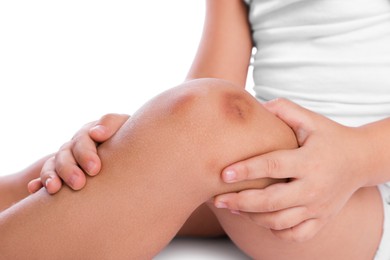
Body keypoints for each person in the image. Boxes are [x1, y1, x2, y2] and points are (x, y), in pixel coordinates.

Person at [1, 0, 390, 259]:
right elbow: (207, 91)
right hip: (271, 160)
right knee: (77, 171)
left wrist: (357, 157)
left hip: (372, 186)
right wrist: (150, 134)